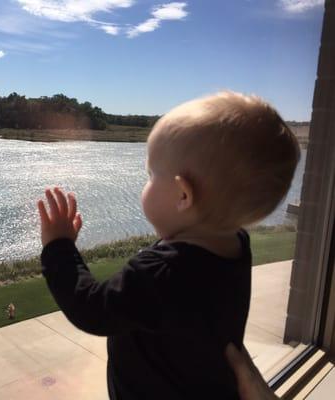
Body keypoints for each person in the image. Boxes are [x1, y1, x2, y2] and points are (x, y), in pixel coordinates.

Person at [37, 91, 300, 399]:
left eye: (151, 175)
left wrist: (59, 247)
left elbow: (92, 309)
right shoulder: (236, 246)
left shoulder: (158, 273)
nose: (145, 183)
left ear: (182, 196)